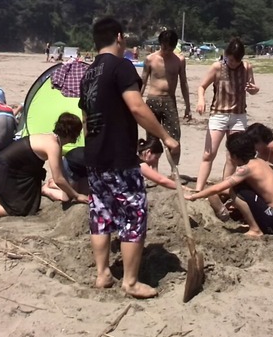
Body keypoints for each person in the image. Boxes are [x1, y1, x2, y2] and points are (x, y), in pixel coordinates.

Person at [79, 17, 179, 298]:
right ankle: (131, 282)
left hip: (95, 155)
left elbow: (86, 118)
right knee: (133, 214)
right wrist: (166, 136)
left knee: (100, 213)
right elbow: (136, 107)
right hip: (118, 157)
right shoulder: (121, 66)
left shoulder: (88, 73)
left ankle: (102, 274)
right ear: (119, 37)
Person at [0, 113, 88, 217]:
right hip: (4, 170)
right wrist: (77, 195)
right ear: (72, 134)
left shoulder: (49, 138)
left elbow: (59, 175)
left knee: (17, 202)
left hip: (2, 166)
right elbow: (58, 178)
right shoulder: (53, 146)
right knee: (18, 210)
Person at [186, 132, 273, 237]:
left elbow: (218, 188)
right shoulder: (260, 162)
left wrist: (194, 196)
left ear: (234, 156)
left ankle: (255, 230)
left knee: (235, 190)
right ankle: (233, 216)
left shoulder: (247, 169)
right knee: (237, 187)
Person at [194, 37, 259, 192]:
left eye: (236, 61)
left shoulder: (246, 67)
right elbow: (202, 86)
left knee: (233, 156)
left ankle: (225, 190)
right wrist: (201, 100)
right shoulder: (217, 67)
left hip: (238, 115)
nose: (233, 64)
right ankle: (198, 189)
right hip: (219, 114)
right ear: (226, 55)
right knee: (209, 154)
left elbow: (253, 89)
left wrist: (254, 89)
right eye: (230, 60)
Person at [42, 137, 177, 201]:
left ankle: (55, 183)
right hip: (74, 162)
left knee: (86, 192)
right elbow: (160, 179)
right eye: (156, 157)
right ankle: (46, 189)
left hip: (84, 165)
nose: (156, 161)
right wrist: (180, 188)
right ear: (147, 152)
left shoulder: (130, 152)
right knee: (69, 198)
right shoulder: (137, 162)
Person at [140, 29, 190, 168]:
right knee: (152, 139)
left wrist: (188, 106)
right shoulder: (150, 59)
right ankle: (153, 170)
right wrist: (137, 102)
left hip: (169, 101)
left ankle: (174, 170)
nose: (167, 51)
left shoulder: (179, 60)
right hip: (152, 100)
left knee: (175, 138)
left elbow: (184, 83)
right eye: (164, 47)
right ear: (160, 44)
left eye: (170, 48)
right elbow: (143, 82)